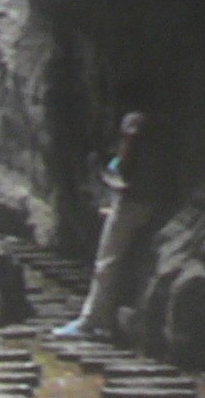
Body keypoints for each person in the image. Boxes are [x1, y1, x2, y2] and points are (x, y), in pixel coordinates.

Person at [58, 111, 151, 337]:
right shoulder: (162, 126)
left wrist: (120, 163)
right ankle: (111, 320)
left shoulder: (135, 123)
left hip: (131, 201)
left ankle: (91, 320)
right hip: (150, 200)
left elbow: (123, 169)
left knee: (107, 262)